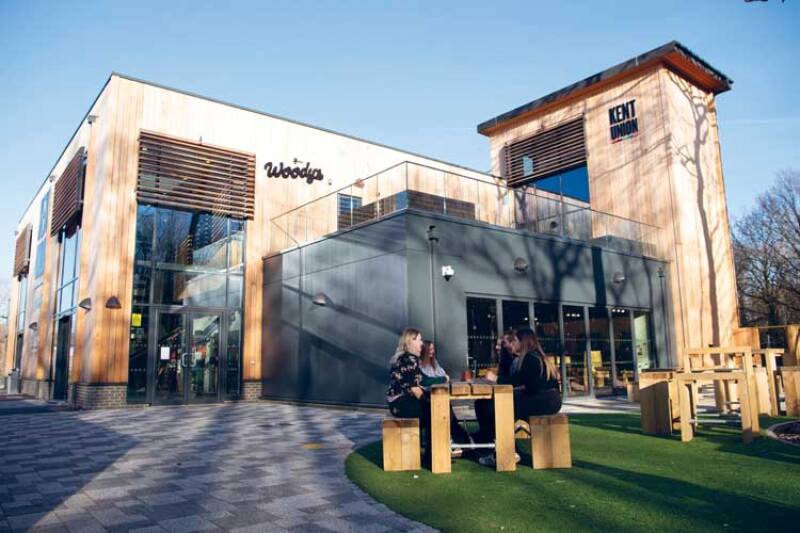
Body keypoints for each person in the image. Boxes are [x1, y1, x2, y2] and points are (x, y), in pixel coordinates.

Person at [474, 327, 562, 465]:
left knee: (493, 405)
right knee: (491, 403)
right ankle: (498, 446)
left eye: (515, 340)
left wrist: (495, 380)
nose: (513, 344)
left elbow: (523, 384)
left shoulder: (529, 358)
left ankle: (503, 451)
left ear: (523, 341)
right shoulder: (538, 357)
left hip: (542, 401)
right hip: (551, 400)